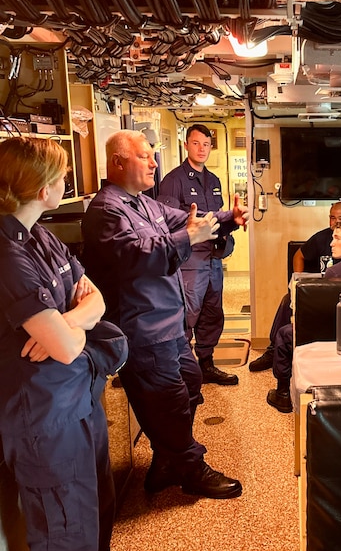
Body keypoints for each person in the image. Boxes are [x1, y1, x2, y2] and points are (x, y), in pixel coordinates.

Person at [0, 138, 158, 551]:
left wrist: (73, 318)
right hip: (42, 414)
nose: (69, 183)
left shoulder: (39, 235)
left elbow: (93, 301)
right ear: (41, 187)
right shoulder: (6, 254)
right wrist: (68, 327)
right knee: (62, 524)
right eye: (62, 175)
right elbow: (63, 345)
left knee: (97, 502)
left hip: (77, 397)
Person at [82, 130, 242, 500]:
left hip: (170, 325)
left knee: (188, 382)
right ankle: (189, 466)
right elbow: (143, 254)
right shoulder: (107, 210)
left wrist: (228, 217)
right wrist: (190, 235)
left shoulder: (144, 203)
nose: (155, 162)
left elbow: (189, 218)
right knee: (167, 400)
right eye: (145, 157)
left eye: (153, 156)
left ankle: (165, 460)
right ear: (118, 162)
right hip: (144, 329)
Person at [158, 124, 249, 386]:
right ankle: (181, 371)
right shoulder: (173, 180)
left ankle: (206, 364)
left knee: (212, 313)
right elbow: (168, 222)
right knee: (188, 314)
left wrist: (232, 223)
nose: (201, 149)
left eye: (206, 144)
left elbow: (219, 218)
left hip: (213, 259)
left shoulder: (214, 180)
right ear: (186, 145)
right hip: (190, 261)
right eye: (196, 143)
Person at [249, 201, 341, 372]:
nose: (332, 243)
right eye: (333, 218)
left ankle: (282, 388)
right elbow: (299, 255)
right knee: (289, 298)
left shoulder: (340, 266)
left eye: (338, 238)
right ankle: (272, 350)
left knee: (286, 326)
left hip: (333, 318)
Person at [266, 221, 341, 412]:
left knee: (284, 334)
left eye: (337, 238)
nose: (331, 243)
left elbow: (321, 312)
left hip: (332, 331)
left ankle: (283, 393)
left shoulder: (334, 271)